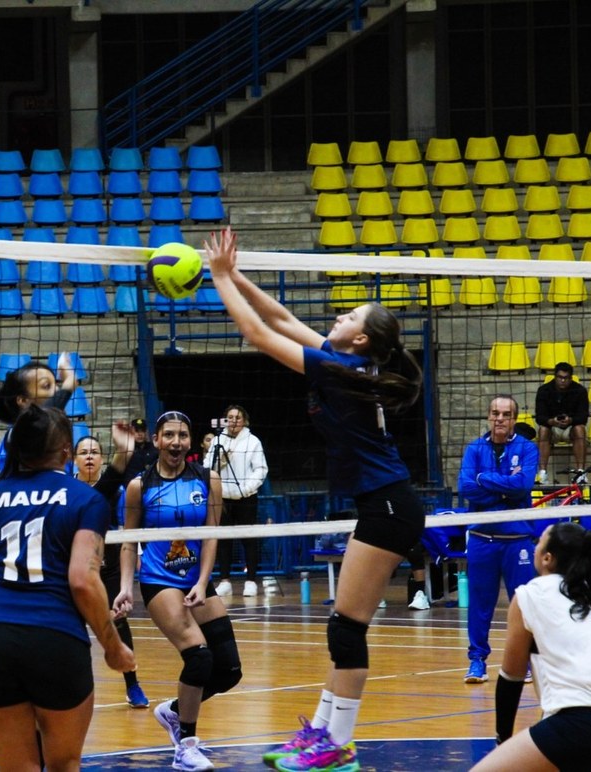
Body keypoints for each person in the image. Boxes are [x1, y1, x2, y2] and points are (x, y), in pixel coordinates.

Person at [206, 227, 424, 772]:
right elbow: (278, 317)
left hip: (390, 506)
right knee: (342, 624)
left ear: (362, 341)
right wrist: (237, 276)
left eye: (350, 316)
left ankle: (337, 745)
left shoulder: (341, 367)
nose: (340, 317)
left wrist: (217, 277)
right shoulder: (343, 360)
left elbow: (257, 335)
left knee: (346, 626)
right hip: (384, 505)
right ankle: (323, 734)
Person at [0, 406, 135, 772]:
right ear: (66, 452)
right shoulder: (86, 500)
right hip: (55, 641)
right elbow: (82, 580)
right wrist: (113, 648)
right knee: (63, 764)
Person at [114, 410, 243, 772]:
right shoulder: (140, 486)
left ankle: (173, 711)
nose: (175, 442)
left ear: (190, 441)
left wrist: (204, 583)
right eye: (168, 435)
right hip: (158, 579)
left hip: (195, 578)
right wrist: (126, 588)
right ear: (155, 440)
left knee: (229, 670)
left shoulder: (207, 478)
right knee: (199, 657)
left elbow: (211, 534)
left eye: (182, 435)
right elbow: (128, 542)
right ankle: (186, 746)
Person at [472, 521, 591, 772]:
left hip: (581, 724)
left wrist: (504, 739)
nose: (533, 548)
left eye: (538, 542)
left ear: (547, 558)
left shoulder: (531, 594)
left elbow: (512, 676)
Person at [458, 394, 539, 685]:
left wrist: (484, 479)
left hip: (517, 539)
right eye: (495, 413)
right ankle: (477, 661)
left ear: (514, 418)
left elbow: (523, 485)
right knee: (480, 603)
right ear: (489, 416)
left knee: (525, 604)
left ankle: (527, 662)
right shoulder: (474, 448)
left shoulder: (527, 448)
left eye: (505, 414)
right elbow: (466, 488)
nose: (500, 418)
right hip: (482, 537)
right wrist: (505, 488)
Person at [73, 430, 149, 709]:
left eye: (94, 452)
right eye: (84, 453)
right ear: (73, 459)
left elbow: (125, 527)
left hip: (110, 564)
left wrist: (137, 552)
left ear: (102, 459)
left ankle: (132, 684)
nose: (90, 457)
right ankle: (77, 688)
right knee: (73, 625)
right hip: (77, 566)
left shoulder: (116, 491)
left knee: (118, 620)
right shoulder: (68, 491)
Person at [202, 404, 268, 597]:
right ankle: (225, 581)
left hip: (246, 498)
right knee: (223, 541)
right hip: (222, 499)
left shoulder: (253, 442)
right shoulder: (217, 441)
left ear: (244, 421)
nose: (233, 421)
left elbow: (261, 470)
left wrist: (247, 489)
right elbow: (206, 467)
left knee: (249, 540)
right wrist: (218, 462)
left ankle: (250, 581)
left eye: (237, 418)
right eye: (230, 417)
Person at [0, 355, 77, 482]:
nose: (56, 390)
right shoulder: (20, 431)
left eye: (56, 384)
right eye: (46, 386)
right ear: (22, 400)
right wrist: (69, 381)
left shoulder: (53, 431)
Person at [533, 362, 589, 483]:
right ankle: (542, 473)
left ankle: (580, 472)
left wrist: (571, 420)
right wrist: (551, 421)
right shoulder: (544, 390)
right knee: (542, 429)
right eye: (560, 377)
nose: (563, 380)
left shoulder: (580, 391)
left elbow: (583, 417)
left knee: (580, 429)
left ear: (571, 378)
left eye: (566, 378)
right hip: (552, 428)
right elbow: (539, 417)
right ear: (555, 376)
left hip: (571, 428)